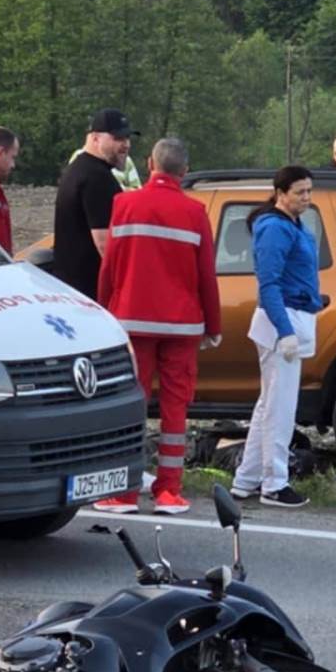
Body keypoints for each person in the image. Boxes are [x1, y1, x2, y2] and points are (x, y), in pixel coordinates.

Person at [91, 138, 222, 516]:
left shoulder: (124, 204)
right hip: (181, 326)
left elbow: (110, 268)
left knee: (131, 404)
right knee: (175, 407)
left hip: (131, 320)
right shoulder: (195, 213)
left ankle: (124, 493)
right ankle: (169, 491)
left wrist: (103, 313)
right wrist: (212, 324)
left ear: (150, 164)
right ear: (184, 170)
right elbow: (205, 276)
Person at [231, 166, 324, 507]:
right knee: (280, 409)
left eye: (309, 191)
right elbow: (268, 284)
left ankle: (246, 480)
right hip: (281, 322)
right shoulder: (275, 228)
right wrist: (285, 332)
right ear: (280, 193)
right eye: (300, 192)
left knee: (268, 405)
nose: (306, 198)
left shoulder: (291, 225)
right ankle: (274, 484)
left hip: (290, 317)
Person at [51, 109, 133, 298]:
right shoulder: (97, 177)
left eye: (128, 138)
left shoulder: (78, 168)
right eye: (118, 138)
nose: (126, 145)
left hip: (72, 289)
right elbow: (106, 244)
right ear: (95, 138)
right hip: (90, 292)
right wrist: (127, 285)